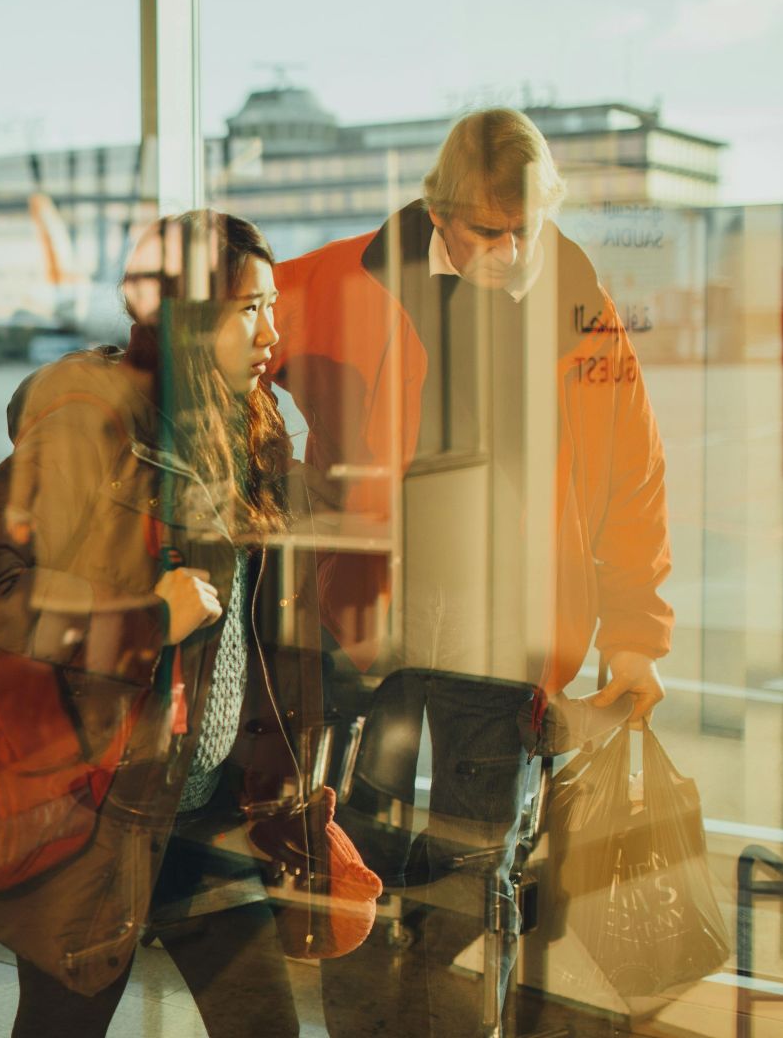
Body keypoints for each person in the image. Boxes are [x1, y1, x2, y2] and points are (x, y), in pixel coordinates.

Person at [270, 109, 673, 1034]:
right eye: (485, 232)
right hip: (375, 623)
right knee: (355, 851)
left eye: (521, 231)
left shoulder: (581, 306)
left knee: (472, 866)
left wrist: (639, 639)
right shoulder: (345, 278)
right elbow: (217, 329)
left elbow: (632, 482)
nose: (505, 251)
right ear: (441, 212)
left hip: (505, 634)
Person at [0, 210, 312, 1037]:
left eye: (272, 305)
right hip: (101, 817)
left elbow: (259, 615)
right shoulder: (95, 423)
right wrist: (146, 619)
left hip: (204, 807)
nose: (272, 330)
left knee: (265, 1027)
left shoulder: (253, 425)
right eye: (250, 308)